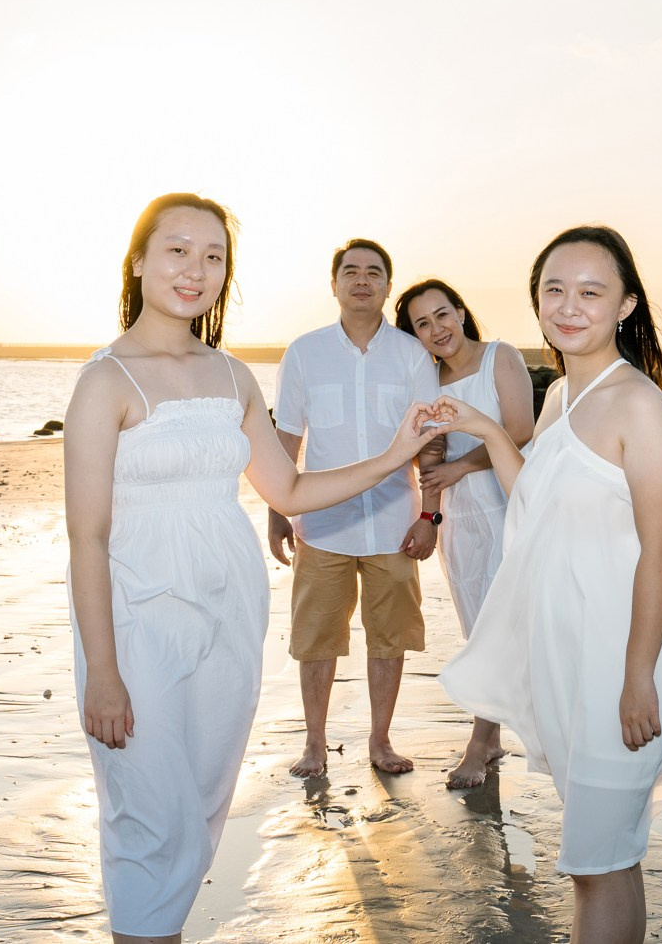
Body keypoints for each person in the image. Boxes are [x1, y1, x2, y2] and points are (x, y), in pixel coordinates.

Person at [65, 196, 446, 944]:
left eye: (213, 256)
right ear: (139, 260)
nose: (195, 270)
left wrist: (396, 455)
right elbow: (87, 535)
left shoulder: (234, 376)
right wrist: (102, 671)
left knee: (203, 797)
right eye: (177, 250)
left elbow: (294, 489)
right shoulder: (104, 381)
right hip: (137, 615)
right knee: (144, 805)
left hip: (229, 610)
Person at [434, 225, 662, 944]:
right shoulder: (557, 395)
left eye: (591, 291)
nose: (569, 305)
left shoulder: (638, 405)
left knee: (601, 861)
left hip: (621, 659)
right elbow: (536, 504)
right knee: (605, 859)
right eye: (554, 288)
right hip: (570, 655)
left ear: (625, 305)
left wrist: (638, 676)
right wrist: (489, 431)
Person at [267, 239, 445, 777]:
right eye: (351, 271)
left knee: (390, 638)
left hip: (395, 523)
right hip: (322, 526)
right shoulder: (304, 352)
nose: (362, 280)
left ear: (388, 286)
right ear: (335, 284)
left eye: (374, 272)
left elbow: (432, 440)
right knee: (316, 639)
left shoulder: (412, 355)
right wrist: (277, 510)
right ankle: (315, 744)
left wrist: (429, 515)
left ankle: (380, 742)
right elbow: (287, 436)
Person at [393, 277, 536, 787]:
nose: (436, 329)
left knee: (515, 622)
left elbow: (519, 429)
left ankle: (481, 742)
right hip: (462, 517)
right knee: (479, 627)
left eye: (442, 314)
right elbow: (430, 456)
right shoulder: (427, 382)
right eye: (422, 324)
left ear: (460, 311)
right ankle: (490, 734)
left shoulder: (501, 357)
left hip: (509, 503)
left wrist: (459, 469)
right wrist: (429, 517)